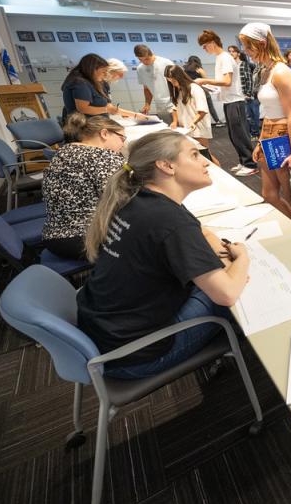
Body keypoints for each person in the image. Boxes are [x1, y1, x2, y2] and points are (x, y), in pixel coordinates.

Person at [78, 131, 250, 379]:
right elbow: (226, 293)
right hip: (134, 354)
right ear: (166, 166)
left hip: (107, 333)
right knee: (239, 300)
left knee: (216, 282)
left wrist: (221, 260)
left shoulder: (140, 199)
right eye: (194, 155)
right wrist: (242, 257)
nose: (205, 161)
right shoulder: (169, 220)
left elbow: (202, 232)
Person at [239, 23, 291, 230]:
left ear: (261, 43)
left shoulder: (281, 73)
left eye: (248, 46)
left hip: (283, 136)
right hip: (268, 133)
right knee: (269, 195)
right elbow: (268, 113)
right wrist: (260, 141)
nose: (246, 51)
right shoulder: (266, 71)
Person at [41, 113, 126, 259]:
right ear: (105, 133)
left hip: (53, 236)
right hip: (85, 239)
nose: (123, 144)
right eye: (122, 138)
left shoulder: (63, 151)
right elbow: (122, 199)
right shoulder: (102, 157)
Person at [194, 30, 257, 176]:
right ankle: (243, 161)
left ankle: (250, 164)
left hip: (235, 101)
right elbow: (224, 83)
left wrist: (205, 80)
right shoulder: (220, 58)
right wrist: (211, 86)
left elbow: (227, 82)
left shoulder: (225, 58)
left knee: (240, 135)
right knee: (234, 135)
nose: (204, 49)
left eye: (204, 46)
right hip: (229, 101)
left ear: (212, 43)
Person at [61, 54, 143, 123]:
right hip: (84, 126)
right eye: (103, 72)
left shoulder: (96, 82)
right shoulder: (80, 83)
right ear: (92, 70)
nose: (105, 75)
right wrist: (107, 109)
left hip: (98, 122)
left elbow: (110, 107)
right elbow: (83, 109)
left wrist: (135, 115)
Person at [165, 64, 217, 165]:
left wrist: (193, 122)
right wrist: (175, 121)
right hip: (186, 129)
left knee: (204, 156)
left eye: (173, 80)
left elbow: (202, 111)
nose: (172, 83)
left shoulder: (195, 88)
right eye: (169, 80)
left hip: (198, 128)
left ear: (180, 76)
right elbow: (174, 108)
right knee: (203, 155)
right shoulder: (177, 90)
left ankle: (219, 176)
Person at [133, 44, 175, 123]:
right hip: (160, 104)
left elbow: (178, 83)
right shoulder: (140, 69)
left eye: (146, 59)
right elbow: (146, 88)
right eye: (140, 60)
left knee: (180, 126)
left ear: (151, 54)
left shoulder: (166, 63)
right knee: (168, 128)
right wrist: (147, 104)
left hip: (174, 102)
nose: (144, 62)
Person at [228, 45, 259, 139]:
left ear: (238, 53)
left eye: (233, 51)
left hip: (247, 94)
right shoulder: (231, 66)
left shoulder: (244, 64)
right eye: (229, 51)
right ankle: (249, 134)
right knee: (244, 117)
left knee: (252, 116)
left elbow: (248, 79)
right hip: (237, 95)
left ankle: (255, 134)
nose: (231, 53)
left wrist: (248, 93)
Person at [184, 55, 223, 127]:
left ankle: (196, 123)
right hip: (203, 92)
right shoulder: (199, 69)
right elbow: (206, 81)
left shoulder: (184, 70)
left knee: (196, 109)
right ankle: (217, 121)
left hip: (191, 92)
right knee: (210, 107)